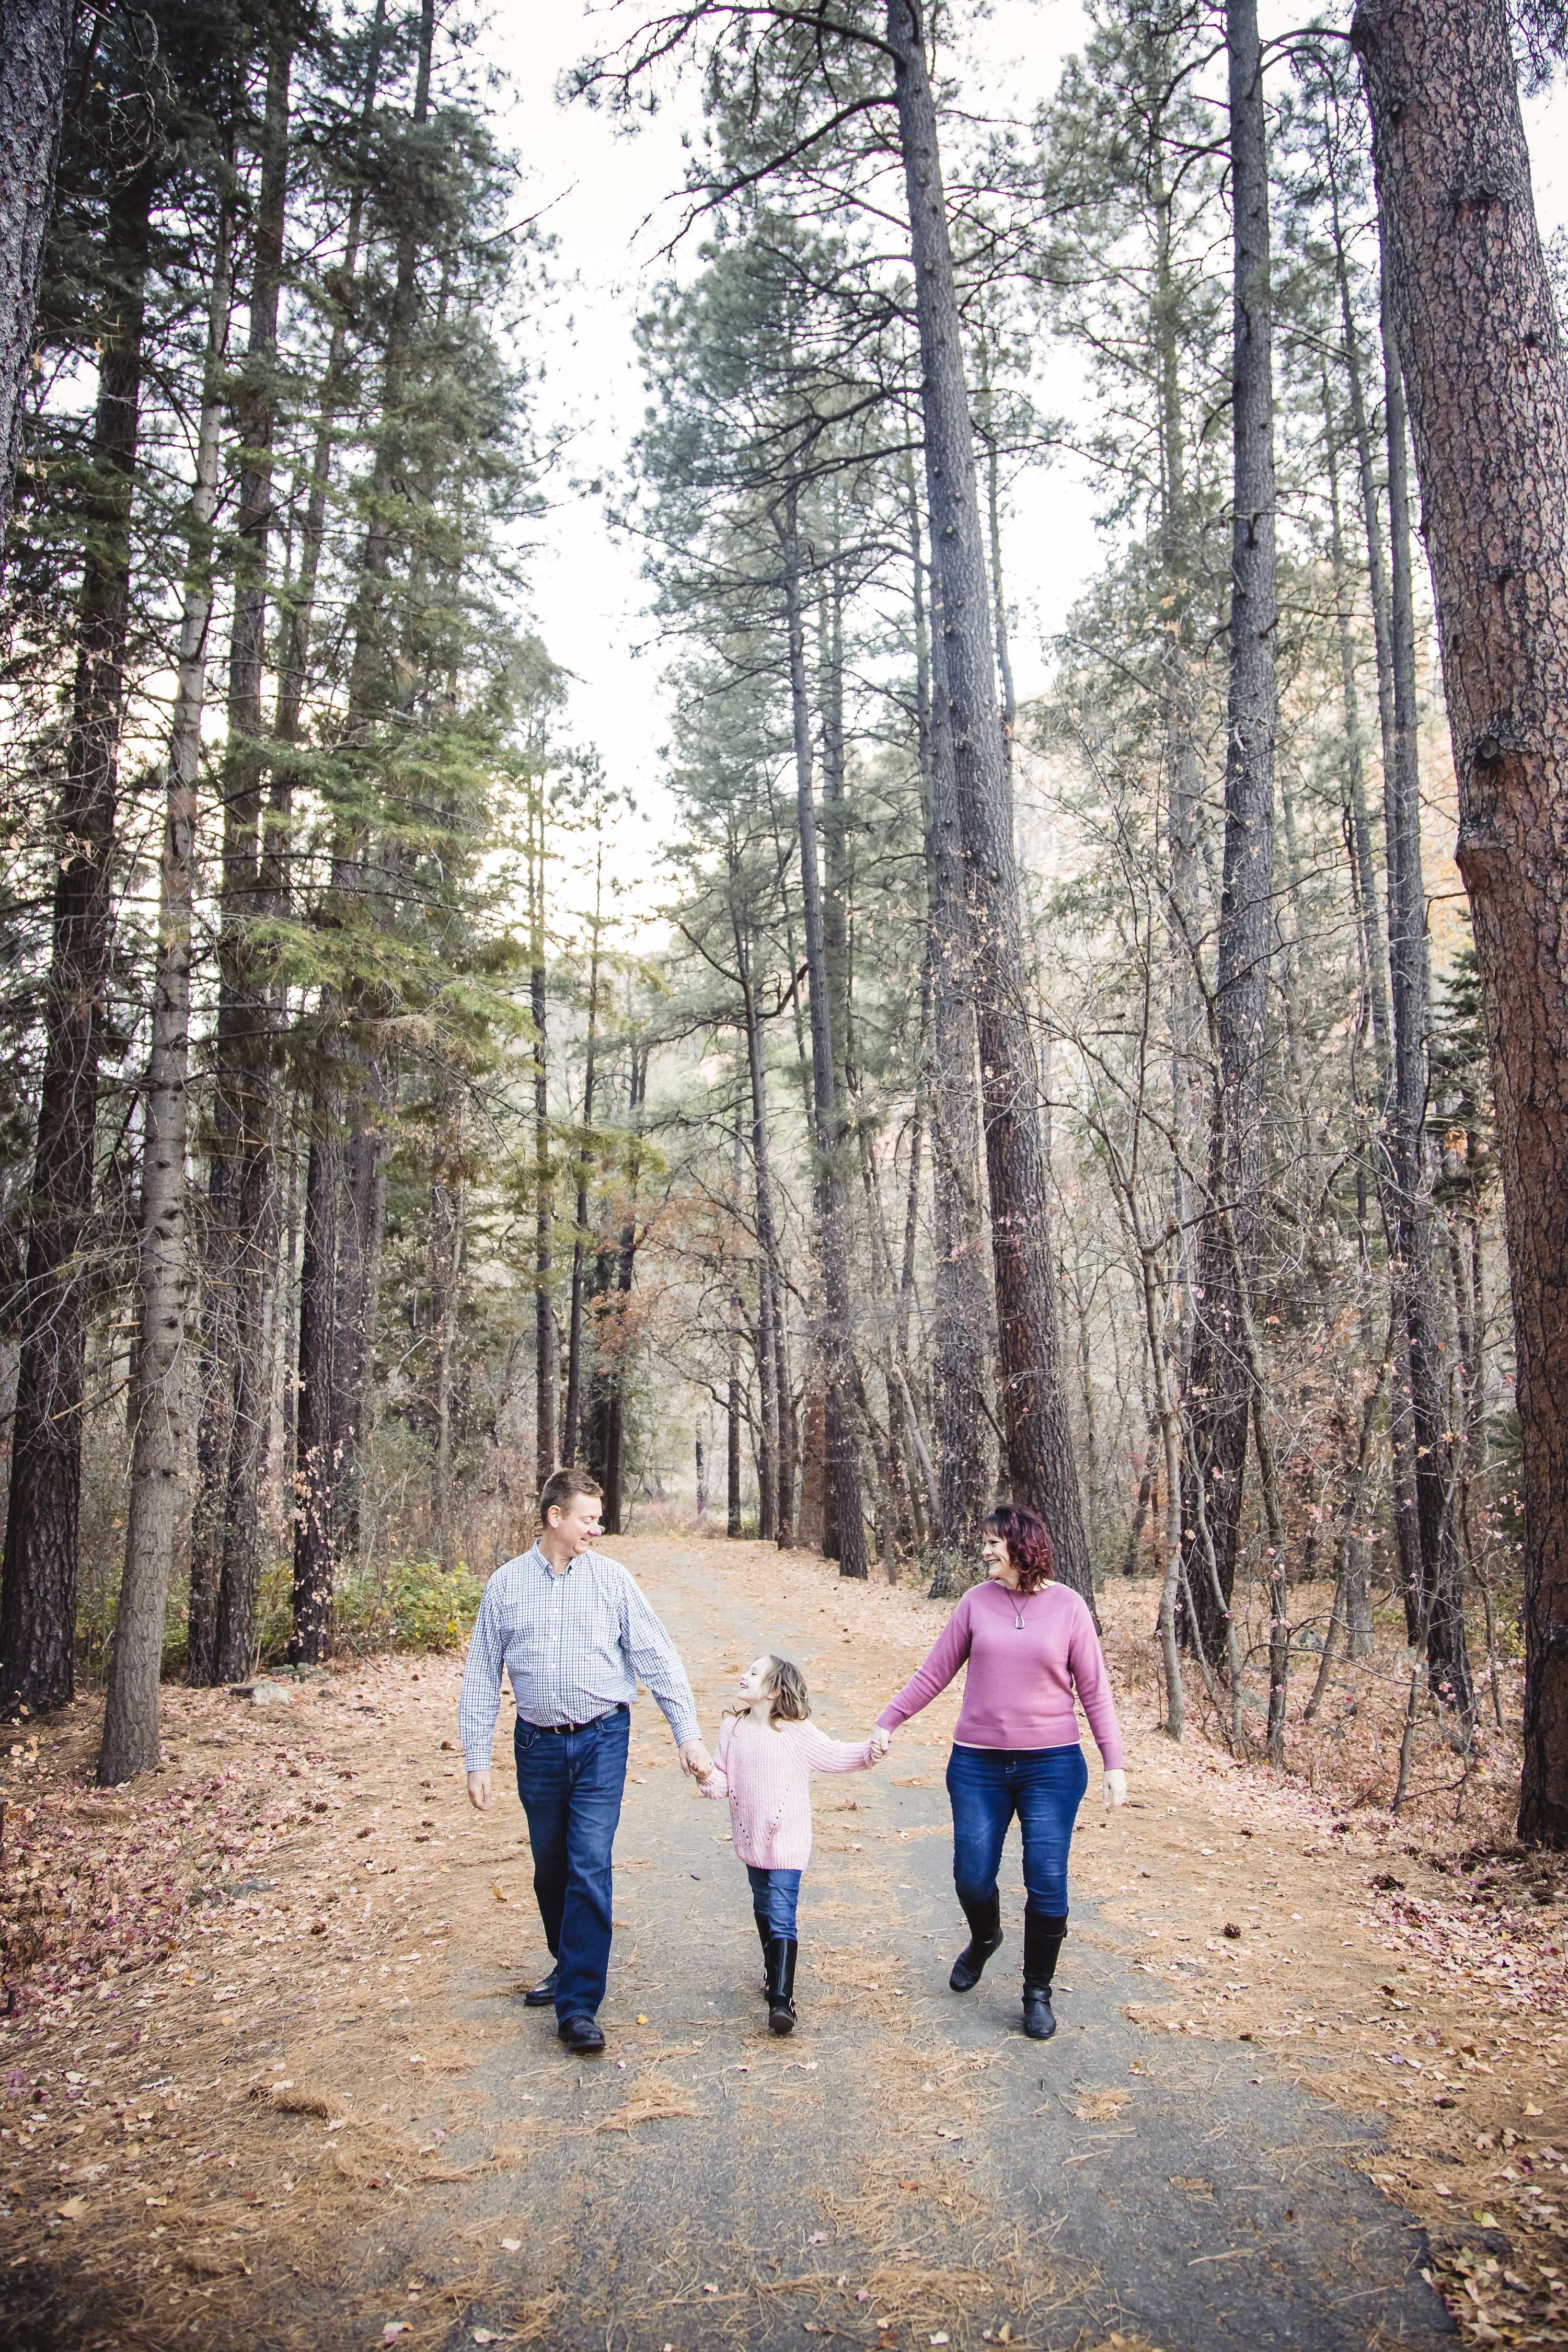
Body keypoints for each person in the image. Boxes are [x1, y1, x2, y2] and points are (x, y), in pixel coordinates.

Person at [459, 1468, 713, 2055]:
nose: (597, 1530)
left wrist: (688, 1736)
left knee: (590, 1864)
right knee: (552, 1870)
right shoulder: (504, 1586)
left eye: (598, 1520)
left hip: (602, 1738)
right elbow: (480, 1677)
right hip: (538, 1745)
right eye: (588, 1519)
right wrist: (477, 1759)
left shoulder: (613, 1582)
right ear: (556, 1518)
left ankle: (578, 2005)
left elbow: (658, 1659)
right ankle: (567, 1961)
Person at [873, 1504, 1126, 2042]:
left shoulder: (1069, 1608)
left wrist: (1114, 1762)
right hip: (977, 1765)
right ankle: (985, 1938)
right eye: (984, 1542)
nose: (985, 1551)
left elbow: (1096, 1690)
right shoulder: (975, 1604)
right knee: (971, 1876)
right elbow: (934, 1672)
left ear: (1023, 1547)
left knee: (1048, 1879)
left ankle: (1037, 1991)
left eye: (995, 1542)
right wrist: (888, 1722)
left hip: (1053, 1767)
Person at [696, 1652, 882, 2034]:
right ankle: (771, 1970)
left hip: (788, 1841)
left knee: (782, 1912)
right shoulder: (732, 1729)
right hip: (750, 1840)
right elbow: (722, 1783)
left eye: (754, 1672)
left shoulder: (795, 1733)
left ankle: (782, 2000)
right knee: (763, 1907)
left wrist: (867, 1752)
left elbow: (835, 1755)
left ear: (775, 1690)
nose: (744, 1676)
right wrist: (704, 1774)